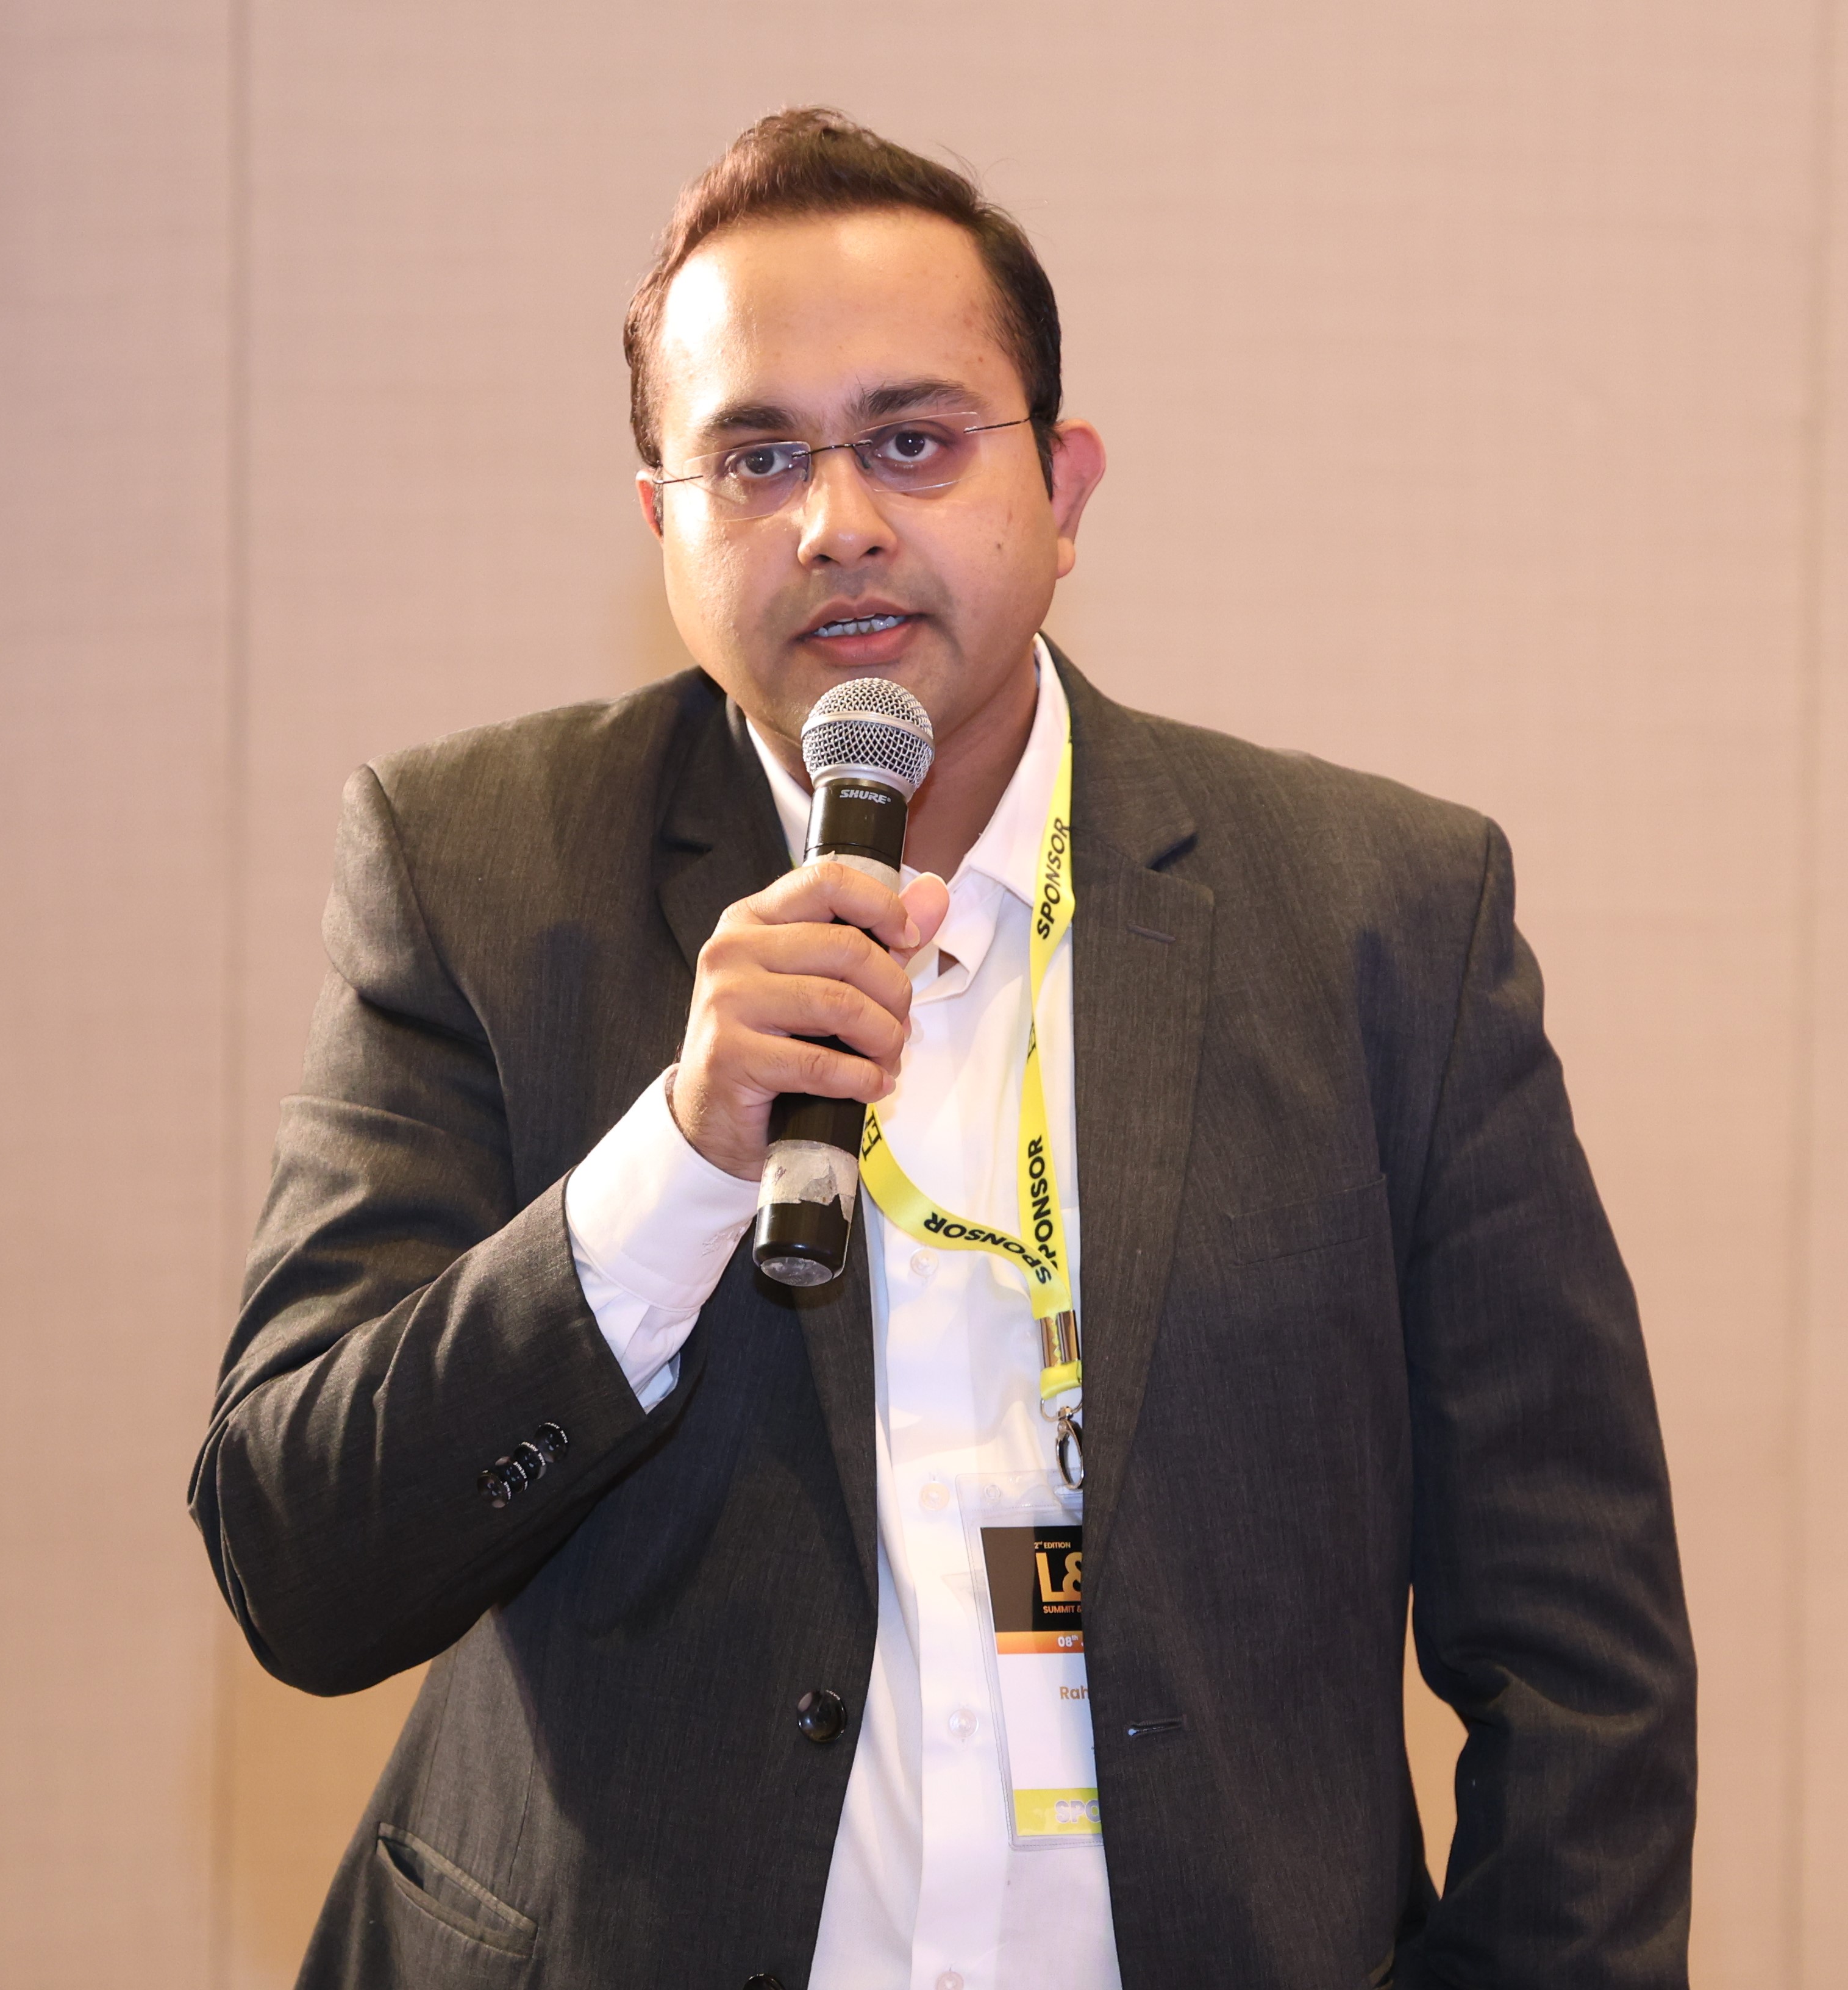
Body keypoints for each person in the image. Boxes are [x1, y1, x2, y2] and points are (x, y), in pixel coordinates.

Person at [189, 109, 1695, 1990]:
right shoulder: (478, 875)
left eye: (913, 439)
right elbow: (305, 1567)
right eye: (755, 457)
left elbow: (1582, 1658)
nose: (837, 521)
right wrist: (680, 1159)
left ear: (1062, 488)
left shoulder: (1385, 921)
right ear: (663, 526)